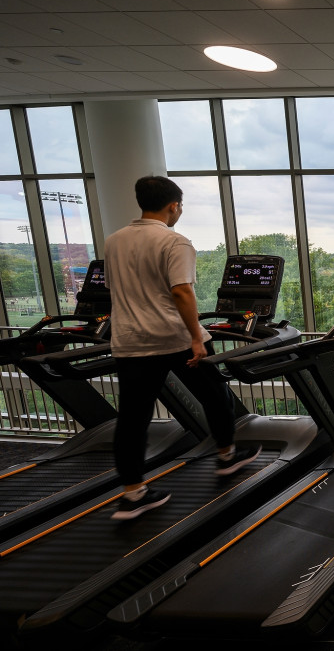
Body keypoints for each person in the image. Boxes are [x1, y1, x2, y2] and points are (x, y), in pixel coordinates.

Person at [105, 175, 261, 521]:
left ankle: (133, 494)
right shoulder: (176, 242)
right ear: (174, 205)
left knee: (132, 418)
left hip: (129, 340)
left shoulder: (114, 241)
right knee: (216, 395)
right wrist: (195, 336)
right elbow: (181, 291)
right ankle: (226, 456)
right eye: (180, 206)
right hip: (172, 337)